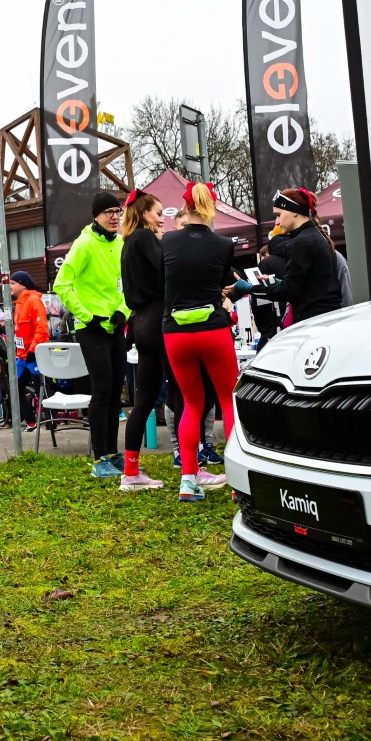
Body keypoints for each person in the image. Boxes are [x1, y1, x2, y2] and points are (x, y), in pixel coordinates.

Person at [165, 182, 239, 502]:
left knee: (191, 404)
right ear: (212, 208)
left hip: (176, 332)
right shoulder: (223, 244)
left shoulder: (167, 241)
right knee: (228, 401)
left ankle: (188, 481)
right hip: (213, 329)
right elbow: (223, 283)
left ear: (185, 208)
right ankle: (238, 482)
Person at [52, 192, 131, 477]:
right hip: (91, 328)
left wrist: (123, 310)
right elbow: (62, 284)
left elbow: (126, 284)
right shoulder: (84, 243)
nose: (114, 217)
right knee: (102, 389)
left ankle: (112, 453)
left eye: (117, 211)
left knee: (116, 392)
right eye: (108, 212)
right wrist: (86, 316)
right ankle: (99, 460)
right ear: (96, 216)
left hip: (115, 326)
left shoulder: (120, 243)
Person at [228, 188, 345, 325]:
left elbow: (290, 291)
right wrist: (277, 282)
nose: (276, 222)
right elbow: (310, 283)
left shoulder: (301, 242)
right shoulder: (314, 236)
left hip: (315, 321)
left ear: (294, 211)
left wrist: (249, 288)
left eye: (278, 215)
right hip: (326, 317)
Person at [118, 191, 167, 491]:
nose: (162, 218)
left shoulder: (127, 243)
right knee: (181, 394)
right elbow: (166, 271)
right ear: (145, 213)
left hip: (140, 322)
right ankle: (193, 467)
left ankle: (131, 472)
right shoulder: (145, 238)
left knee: (144, 400)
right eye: (159, 213)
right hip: (159, 319)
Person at [9, 271, 48, 427]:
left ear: (23, 284)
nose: (10, 286)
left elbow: (42, 328)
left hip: (33, 355)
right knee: (15, 388)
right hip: (22, 356)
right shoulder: (19, 304)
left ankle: (51, 422)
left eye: (13, 283)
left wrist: (33, 350)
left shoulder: (33, 301)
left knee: (41, 389)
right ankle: (31, 423)